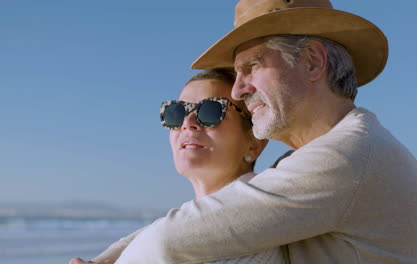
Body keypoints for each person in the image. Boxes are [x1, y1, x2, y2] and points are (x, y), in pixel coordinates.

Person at [109, 0, 417, 264]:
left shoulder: (346, 155)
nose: (237, 90)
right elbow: (204, 215)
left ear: (311, 62)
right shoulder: (342, 150)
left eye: (251, 66)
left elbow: (169, 240)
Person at [69, 68, 292, 264]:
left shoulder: (251, 228)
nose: (188, 124)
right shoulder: (182, 227)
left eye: (210, 111)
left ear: (255, 143)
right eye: (176, 113)